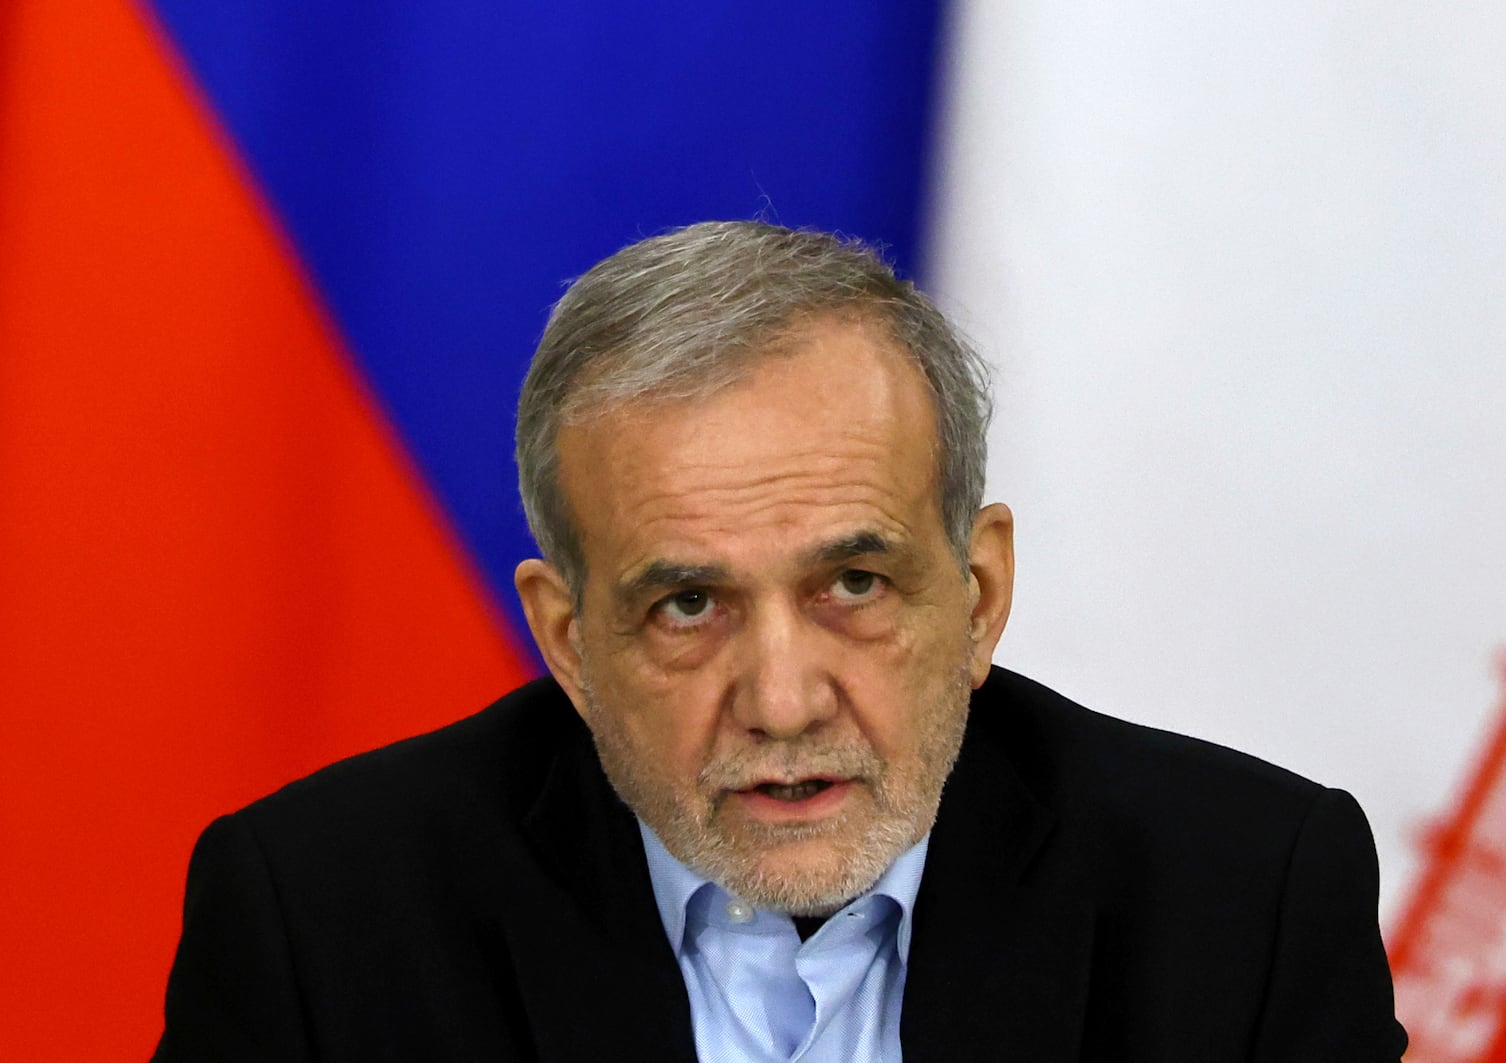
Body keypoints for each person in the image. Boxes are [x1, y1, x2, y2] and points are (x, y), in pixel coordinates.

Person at [154, 221, 1407, 1061]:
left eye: (852, 583)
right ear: (569, 641)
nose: (783, 698)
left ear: (975, 594)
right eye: (687, 605)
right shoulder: (317, 922)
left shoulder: (1244, 898)